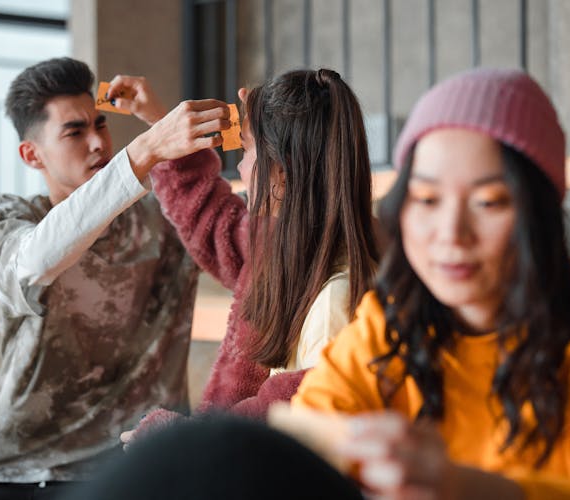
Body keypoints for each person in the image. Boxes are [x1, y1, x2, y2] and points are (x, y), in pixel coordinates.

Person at [290, 68, 570, 498]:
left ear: (540, 213)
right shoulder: (392, 317)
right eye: (427, 200)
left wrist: (460, 487)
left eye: (489, 202)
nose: (451, 233)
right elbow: (307, 429)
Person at [0, 57, 229, 499]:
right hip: (7, 467)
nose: (97, 142)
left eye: (101, 125)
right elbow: (36, 261)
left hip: (129, 462)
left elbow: (212, 210)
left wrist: (157, 118)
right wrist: (143, 150)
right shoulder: (13, 217)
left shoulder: (159, 221)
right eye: (74, 131)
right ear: (32, 154)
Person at [119, 68, 379, 438]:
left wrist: (180, 442)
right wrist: (162, 127)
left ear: (283, 175)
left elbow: (289, 440)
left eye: (246, 149)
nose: (240, 168)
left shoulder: (335, 301)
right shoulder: (281, 250)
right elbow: (213, 223)